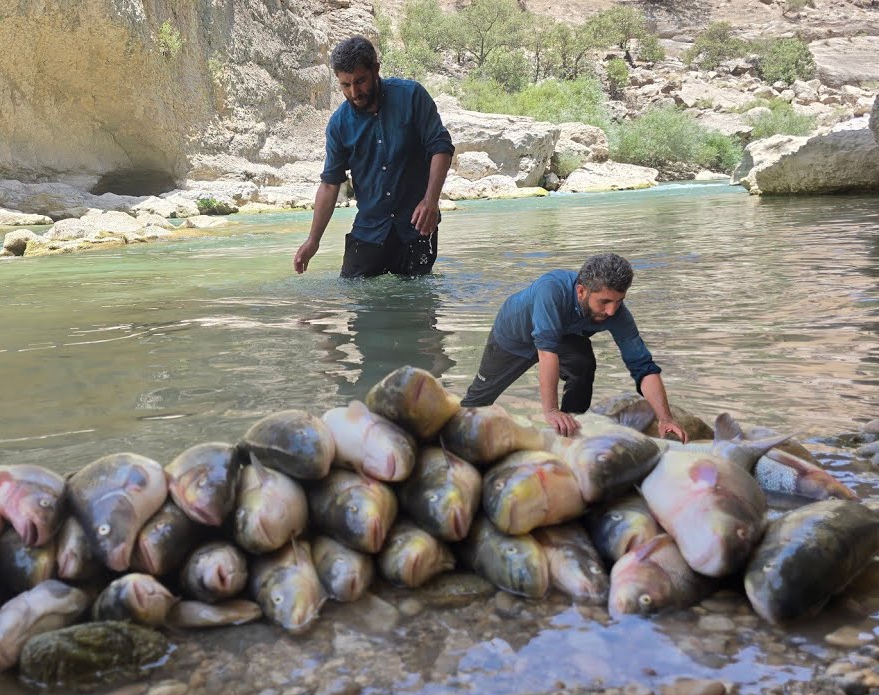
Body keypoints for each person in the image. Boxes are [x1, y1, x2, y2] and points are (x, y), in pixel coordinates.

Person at [461, 253, 688, 441]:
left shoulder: (618, 313)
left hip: (563, 335)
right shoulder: (551, 289)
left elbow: (643, 366)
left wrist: (665, 418)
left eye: (618, 301)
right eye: (604, 302)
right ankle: (455, 430)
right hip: (513, 336)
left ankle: (571, 428)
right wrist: (550, 411)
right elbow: (546, 352)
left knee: (583, 364)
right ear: (581, 292)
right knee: (479, 400)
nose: (611, 311)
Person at [293, 36, 454, 279]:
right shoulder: (339, 124)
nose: (354, 92)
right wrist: (313, 240)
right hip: (369, 231)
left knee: (417, 309)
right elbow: (329, 183)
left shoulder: (412, 97)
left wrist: (431, 201)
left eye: (360, 81)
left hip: (417, 229)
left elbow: (441, 147)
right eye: (345, 85)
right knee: (355, 301)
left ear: (376, 70)